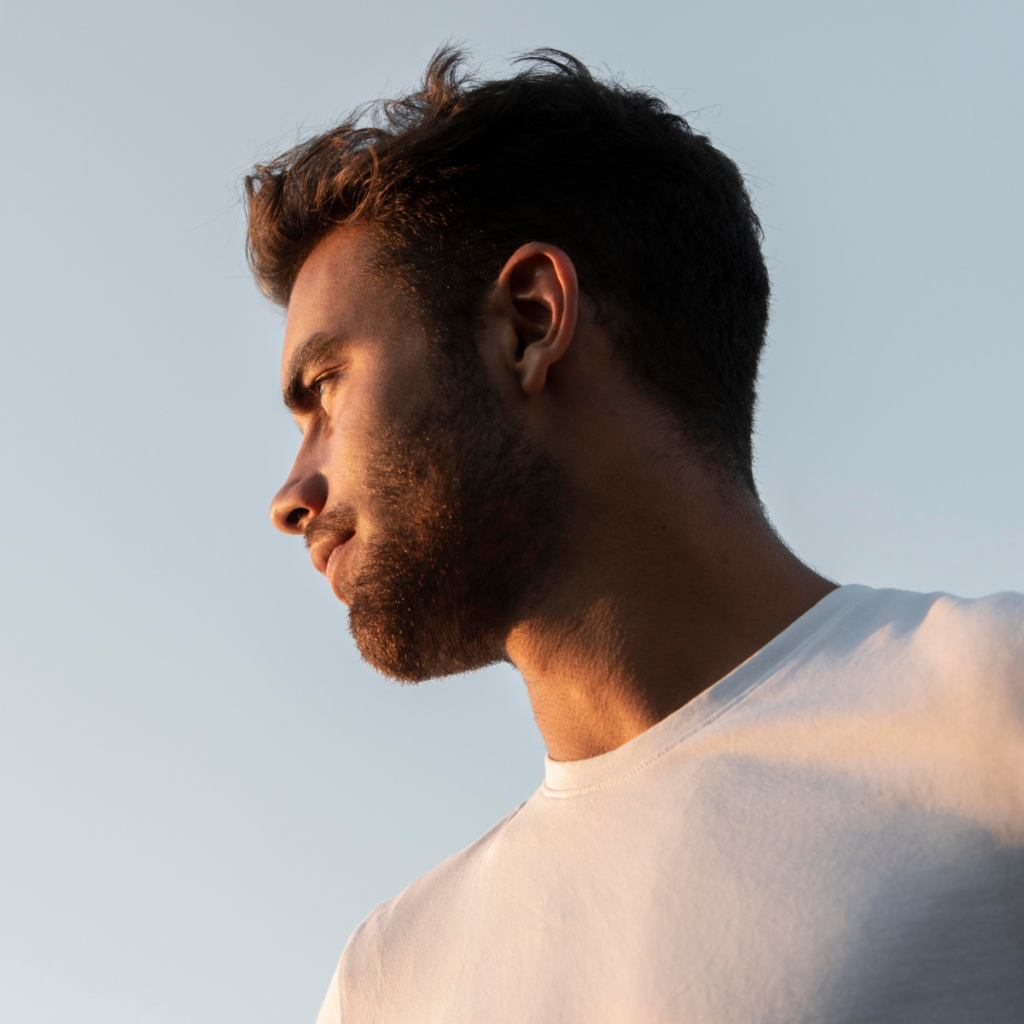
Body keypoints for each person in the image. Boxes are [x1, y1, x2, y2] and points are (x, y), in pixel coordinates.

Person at [246, 47, 1024, 1023]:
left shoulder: (992, 706)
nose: (290, 492)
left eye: (324, 391)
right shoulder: (391, 973)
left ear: (528, 322)